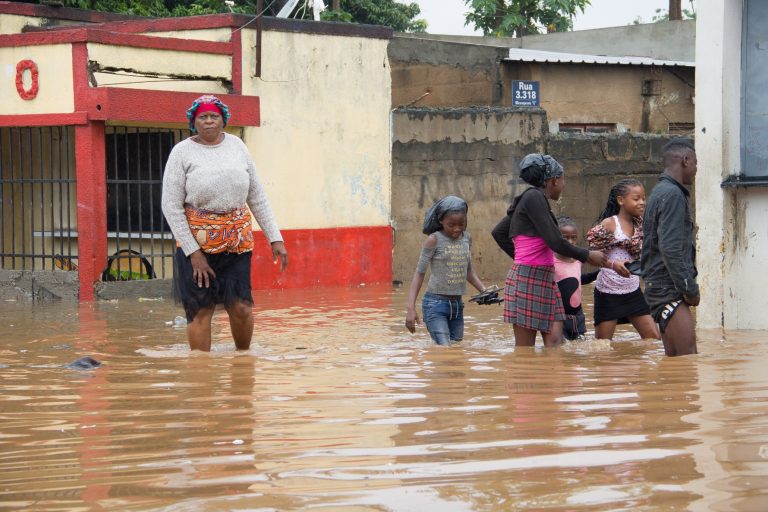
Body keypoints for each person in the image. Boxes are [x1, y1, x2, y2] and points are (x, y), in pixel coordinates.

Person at [161, 95, 288, 352]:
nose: (209, 121)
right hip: (196, 246)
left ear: (223, 120)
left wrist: (275, 237)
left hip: (236, 244)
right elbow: (170, 206)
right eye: (203, 117)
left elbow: (256, 196)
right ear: (194, 122)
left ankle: (243, 363)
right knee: (201, 310)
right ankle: (202, 373)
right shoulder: (181, 153)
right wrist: (194, 254)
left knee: (240, 307)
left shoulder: (238, 146)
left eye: (214, 116)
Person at [491, 154, 606, 347]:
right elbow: (556, 242)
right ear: (553, 180)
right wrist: (587, 255)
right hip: (527, 280)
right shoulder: (534, 197)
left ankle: (551, 377)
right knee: (525, 351)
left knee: (555, 345)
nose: (563, 184)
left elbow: (499, 232)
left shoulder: (529, 200)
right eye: (562, 179)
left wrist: (525, 258)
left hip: (544, 279)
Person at [641, 138, 699, 356]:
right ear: (685, 160)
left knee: (677, 364)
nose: (695, 169)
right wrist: (690, 289)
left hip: (660, 287)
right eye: (695, 162)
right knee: (688, 361)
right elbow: (670, 249)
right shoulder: (673, 195)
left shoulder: (660, 192)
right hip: (669, 289)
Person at [405, 196, 489, 345]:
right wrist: (410, 308)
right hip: (435, 305)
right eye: (451, 225)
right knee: (444, 349)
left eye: (461, 224)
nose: (457, 229)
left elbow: (468, 271)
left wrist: (484, 291)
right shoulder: (434, 240)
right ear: (441, 221)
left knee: (456, 350)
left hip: (457, 307)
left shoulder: (466, 239)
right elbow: (419, 274)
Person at [587, 179, 659, 340]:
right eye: (636, 199)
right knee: (603, 346)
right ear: (621, 200)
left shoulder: (640, 224)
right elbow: (591, 257)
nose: (642, 203)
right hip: (608, 292)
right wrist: (613, 264)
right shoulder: (610, 224)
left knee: (653, 339)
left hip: (632, 290)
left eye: (643, 198)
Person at [554, 216, 598, 341]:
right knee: (560, 348)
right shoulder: (551, 261)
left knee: (579, 349)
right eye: (565, 238)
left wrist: (597, 274)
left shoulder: (578, 260)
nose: (570, 241)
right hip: (558, 316)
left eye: (573, 237)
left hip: (578, 316)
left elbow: (578, 279)